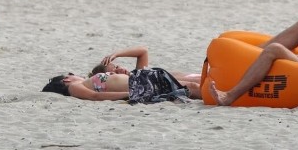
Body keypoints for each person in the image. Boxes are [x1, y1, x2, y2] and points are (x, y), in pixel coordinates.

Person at [42, 46, 201, 101]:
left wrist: (117, 54)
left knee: (192, 84)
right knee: (192, 86)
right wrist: (131, 93)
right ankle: (224, 97)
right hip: (138, 86)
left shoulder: (84, 82)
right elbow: (94, 96)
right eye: (71, 74)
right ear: (66, 80)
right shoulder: (74, 86)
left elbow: (143, 51)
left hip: (141, 81)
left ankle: (224, 92)